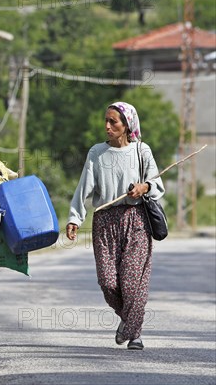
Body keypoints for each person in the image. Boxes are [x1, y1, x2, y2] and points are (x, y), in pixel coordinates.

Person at [66, 102, 165, 351]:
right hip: (105, 222)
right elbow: (84, 188)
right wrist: (74, 218)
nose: (107, 126)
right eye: (106, 121)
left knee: (132, 282)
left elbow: (157, 184)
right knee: (108, 282)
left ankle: (135, 333)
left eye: (114, 122)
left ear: (127, 125)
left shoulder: (142, 151)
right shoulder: (96, 153)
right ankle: (129, 322)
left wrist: (144, 187)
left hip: (136, 221)